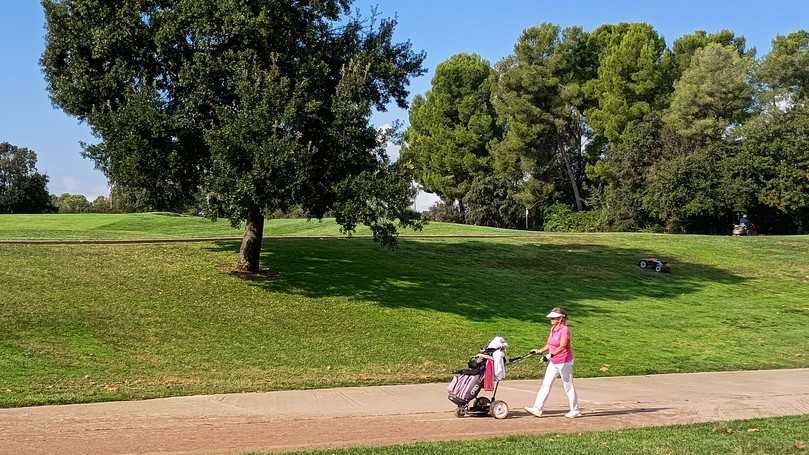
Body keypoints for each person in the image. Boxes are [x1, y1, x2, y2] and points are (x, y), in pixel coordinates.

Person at [524, 307, 581, 418]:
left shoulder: (565, 330)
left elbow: (563, 346)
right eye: (551, 318)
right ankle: (537, 409)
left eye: (553, 318)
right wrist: (539, 350)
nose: (551, 319)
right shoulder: (553, 329)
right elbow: (549, 345)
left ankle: (575, 410)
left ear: (560, 319)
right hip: (554, 362)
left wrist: (550, 355)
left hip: (565, 362)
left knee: (568, 386)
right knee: (546, 384)